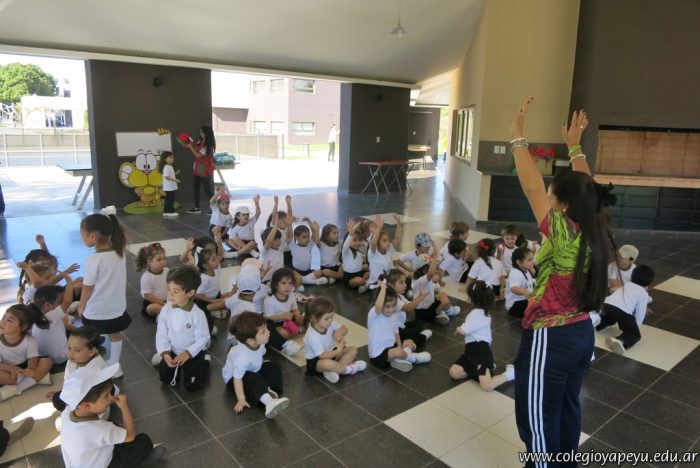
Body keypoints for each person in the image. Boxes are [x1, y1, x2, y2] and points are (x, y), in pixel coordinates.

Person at [510, 98, 617, 465]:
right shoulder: (596, 224)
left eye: (553, 197)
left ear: (564, 205)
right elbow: (587, 189)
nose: (548, 199)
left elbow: (531, 188)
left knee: (538, 422)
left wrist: (517, 137)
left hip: (551, 338)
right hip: (581, 334)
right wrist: (574, 147)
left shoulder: (564, 233)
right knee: (568, 410)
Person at [59, 364, 166, 467]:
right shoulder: (98, 429)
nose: (111, 398)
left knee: (115, 430)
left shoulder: (67, 413)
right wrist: (124, 407)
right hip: (106, 464)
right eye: (106, 395)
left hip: (82, 462)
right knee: (144, 441)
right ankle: (144, 460)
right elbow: (130, 436)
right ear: (87, 406)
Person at [78, 207, 130, 372]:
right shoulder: (119, 252)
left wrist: (81, 305)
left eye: (82, 234)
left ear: (92, 236)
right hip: (116, 307)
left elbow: (87, 287)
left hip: (97, 310)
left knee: (90, 336)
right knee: (114, 334)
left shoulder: (94, 259)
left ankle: (91, 364)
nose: (81, 238)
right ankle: (115, 365)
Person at [449, 281, 515, 390]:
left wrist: (458, 329)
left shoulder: (476, 314)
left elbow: (463, 331)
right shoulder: (483, 312)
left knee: (487, 386)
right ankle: (480, 370)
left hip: (480, 354)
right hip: (470, 353)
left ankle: (510, 374)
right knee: (454, 372)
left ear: (473, 299)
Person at [223, 312, 289, 418]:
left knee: (273, 366)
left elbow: (259, 354)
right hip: (234, 379)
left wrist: (262, 364)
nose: (268, 332)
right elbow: (237, 379)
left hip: (252, 371)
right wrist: (241, 399)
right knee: (254, 379)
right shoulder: (242, 356)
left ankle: (268, 391)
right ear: (251, 341)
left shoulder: (259, 343)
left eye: (266, 328)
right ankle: (269, 402)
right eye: (263, 331)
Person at [156, 267, 211, 390]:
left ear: (190, 293)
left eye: (175, 291)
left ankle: (204, 362)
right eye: (169, 289)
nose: (170, 294)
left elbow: (204, 337)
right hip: (173, 350)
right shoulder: (166, 309)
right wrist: (165, 352)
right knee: (165, 379)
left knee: (192, 386)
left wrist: (188, 353)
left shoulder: (197, 314)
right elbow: (161, 333)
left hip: (192, 353)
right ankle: (162, 357)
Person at [367, 282, 431, 372]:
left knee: (409, 342)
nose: (391, 309)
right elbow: (378, 305)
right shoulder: (374, 314)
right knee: (398, 352)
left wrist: (399, 344)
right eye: (387, 306)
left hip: (391, 347)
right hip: (378, 354)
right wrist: (383, 288)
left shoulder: (393, 316)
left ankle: (398, 360)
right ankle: (413, 358)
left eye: (394, 306)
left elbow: (396, 331)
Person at [303, 297, 366, 383]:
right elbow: (322, 356)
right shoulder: (312, 336)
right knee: (327, 363)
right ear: (314, 318)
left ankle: (336, 370)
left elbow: (345, 329)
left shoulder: (329, 323)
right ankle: (349, 369)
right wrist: (338, 350)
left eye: (332, 317)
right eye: (326, 318)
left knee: (353, 349)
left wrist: (338, 333)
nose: (330, 320)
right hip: (317, 362)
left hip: (332, 352)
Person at [597, 265, 654, 354]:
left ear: (632, 276)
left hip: (607, 305)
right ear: (649, 283)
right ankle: (620, 341)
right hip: (622, 312)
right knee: (634, 334)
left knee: (609, 318)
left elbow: (616, 292)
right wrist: (635, 326)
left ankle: (597, 322)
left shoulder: (626, 284)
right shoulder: (643, 293)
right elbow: (640, 313)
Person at [0, 304, 53, 400]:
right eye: (3, 317)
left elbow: (33, 357)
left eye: (9, 320)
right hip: (7, 370)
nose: (2, 322)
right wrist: (10, 368)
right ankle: (36, 379)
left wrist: (30, 369)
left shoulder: (29, 341)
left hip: (24, 368)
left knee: (47, 362)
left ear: (23, 327)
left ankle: (15, 389)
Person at [48, 326, 107, 412]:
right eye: (69, 348)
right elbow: (68, 380)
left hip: (93, 400)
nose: (71, 353)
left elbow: (92, 395)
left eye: (77, 350)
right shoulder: (73, 360)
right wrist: (64, 393)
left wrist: (66, 397)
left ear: (92, 351)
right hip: (78, 393)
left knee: (61, 403)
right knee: (59, 400)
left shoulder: (96, 369)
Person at [385, 269, 433, 346]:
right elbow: (407, 308)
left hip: (402, 325)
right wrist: (419, 298)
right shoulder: (392, 298)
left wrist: (418, 299)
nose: (405, 285)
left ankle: (414, 337)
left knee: (418, 323)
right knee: (410, 334)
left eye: (404, 282)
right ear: (391, 285)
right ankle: (421, 337)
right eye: (401, 282)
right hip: (395, 331)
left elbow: (411, 304)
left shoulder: (399, 296)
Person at [262, 268, 304, 355]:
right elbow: (267, 318)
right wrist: (282, 316)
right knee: (283, 333)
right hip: (276, 323)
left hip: (288, 319)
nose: (287, 286)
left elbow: (295, 309)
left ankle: (298, 328)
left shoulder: (291, 296)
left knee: (303, 318)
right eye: (283, 283)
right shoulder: (269, 300)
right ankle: (298, 330)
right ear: (275, 285)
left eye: (290, 283)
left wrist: (297, 314)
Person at [31, 284, 76, 364]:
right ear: (47, 305)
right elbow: (68, 301)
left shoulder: (36, 317)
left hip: (43, 357)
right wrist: (69, 281)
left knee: (65, 321)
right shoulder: (51, 315)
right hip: (61, 357)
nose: (62, 303)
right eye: (61, 301)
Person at [411, 255, 460, 325]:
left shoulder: (422, 278)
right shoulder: (421, 280)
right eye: (432, 268)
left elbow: (435, 279)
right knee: (445, 301)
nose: (435, 270)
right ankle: (443, 313)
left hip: (428, 305)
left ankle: (444, 312)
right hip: (424, 312)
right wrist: (435, 257)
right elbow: (432, 274)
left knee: (443, 294)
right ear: (424, 270)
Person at [186, 125, 216, 214]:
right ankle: (196, 208)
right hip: (199, 167)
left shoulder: (208, 145)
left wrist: (190, 147)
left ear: (206, 133)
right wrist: (189, 143)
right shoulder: (200, 141)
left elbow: (198, 156)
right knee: (196, 187)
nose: (200, 133)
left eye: (201, 132)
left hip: (205, 168)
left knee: (207, 189)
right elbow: (196, 150)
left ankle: (215, 209)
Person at [290, 218, 329, 286]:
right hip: (297, 272)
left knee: (319, 272)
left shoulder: (310, 244)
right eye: (304, 237)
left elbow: (314, 232)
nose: (307, 239)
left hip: (308, 272)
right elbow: (289, 235)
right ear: (296, 237)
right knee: (294, 275)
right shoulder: (293, 246)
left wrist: (309, 221)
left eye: (308, 236)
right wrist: (289, 224)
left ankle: (303, 281)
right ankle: (313, 282)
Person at [135, 242, 168, 317]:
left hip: (167, 301)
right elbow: (147, 295)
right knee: (152, 308)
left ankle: (166, 312)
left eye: (164, 258)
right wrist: (163, 304)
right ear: (149, 261)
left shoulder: (167, 271)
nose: (163, 262)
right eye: (159, 260)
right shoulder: (146, 277)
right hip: (153, 302)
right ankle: (168, 312)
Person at [368, 214, 402, 286]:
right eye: (384, 241)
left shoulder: (389, 251)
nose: (388, 243)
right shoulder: (374, 253)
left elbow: (397, 238)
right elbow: (373, 243)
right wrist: (379, 228)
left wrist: (398, 222)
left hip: (388, 283)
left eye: (388, 240)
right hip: (376, 286)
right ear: (378, 243)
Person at [505, 247, 535, 319]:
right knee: (537, 307)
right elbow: (514, 288)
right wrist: (525, 292)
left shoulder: (525, 270)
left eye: (532, 259)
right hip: (515, 305)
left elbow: (529, 281)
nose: (533, 262)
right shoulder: (515, 273)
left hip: (524, 300)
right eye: (529, 260)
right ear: (518, 262)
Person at [341, 219, 370, 293]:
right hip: (349, 277)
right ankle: (366, 284)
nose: (358, 242)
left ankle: (363, 284)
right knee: (359, 280)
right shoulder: (346, 251)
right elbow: (345, 246)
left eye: (359, 240)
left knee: (370, 273)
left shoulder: (359, 252)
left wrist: (364, 266)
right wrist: (350, 234)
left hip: (359, 273)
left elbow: (359, 263)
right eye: (354, 240)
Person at [159, 150, 180, 218]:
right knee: (170, 199)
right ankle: (169, 212)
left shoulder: (169, 166)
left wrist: (175, 173)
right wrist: (176, 180)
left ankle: (167, 211)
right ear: (165, 159)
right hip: (169, 187)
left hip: (170, 187)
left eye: (172, 157)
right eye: (170, 157)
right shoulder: (167, 167)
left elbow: (169, 175)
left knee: (169, 199)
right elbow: (166, 177)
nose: (172, 158)